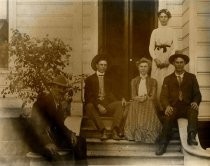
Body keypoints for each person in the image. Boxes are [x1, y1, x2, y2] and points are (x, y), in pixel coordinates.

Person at [25, 75, 87, 161]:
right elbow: (37, 125)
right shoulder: (42, 102)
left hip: (53, 137)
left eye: (63, 88)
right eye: (59, 87)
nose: (61, 91)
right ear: (52, 87)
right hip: (38, 139)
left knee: (80, 141)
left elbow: (60, 125)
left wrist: (70, 134)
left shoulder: (58, 104)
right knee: (53, 154)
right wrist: (47, 142)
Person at [156, 51, 202, 155]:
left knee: (193, 109)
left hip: (187, 107)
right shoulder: (168, 79)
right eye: (177, 62)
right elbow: (163, 96)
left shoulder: (192, 77)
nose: (179, 64)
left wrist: (195, 102)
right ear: (173, 63)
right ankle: (163, 144)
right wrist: (167, 106)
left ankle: (191, 135)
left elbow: (197, 93)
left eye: (181, 62)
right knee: (168, 116)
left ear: (185, 63)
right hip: (174, 107)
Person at [84, 54, 126, 141]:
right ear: (96, 66)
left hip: (107, 105)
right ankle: (103, 131)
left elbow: (116, 91)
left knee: (119, 104)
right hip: (95, 107)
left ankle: (115, 130)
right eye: (101, 65)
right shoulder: (89, 79)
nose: (103, 67)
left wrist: (122, 98)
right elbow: (88, 97)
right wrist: (98, 105)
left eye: (105, 65)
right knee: (89, 106)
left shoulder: (110, 79)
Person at [124, 58, 162, 143]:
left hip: (148, 102)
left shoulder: (153, 81)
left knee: (148, 103)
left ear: (149, 68)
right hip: (137, 101)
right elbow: (133, 96)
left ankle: (147, 133)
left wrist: (145, 98)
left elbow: (153, 97)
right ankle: (135, 133)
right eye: (141, 66)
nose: (143, 68)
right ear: (138, 68)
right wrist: (139, 98)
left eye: (145, 66)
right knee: (134, 103)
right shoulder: (134, 81)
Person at [149, 9, 178, 99]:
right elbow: (150, 47)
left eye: (165, 17)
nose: (163, 19)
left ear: (168, 18)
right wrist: (155, 59)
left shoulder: (172, 31)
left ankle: (168, 106)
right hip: (157, 57)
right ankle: (157, 106)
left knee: (168, 80)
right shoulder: (155, 31)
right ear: (158, 18)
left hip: (168, 57)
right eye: (161, 17)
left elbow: (175, 47)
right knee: (157, 81)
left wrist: (169, 59)